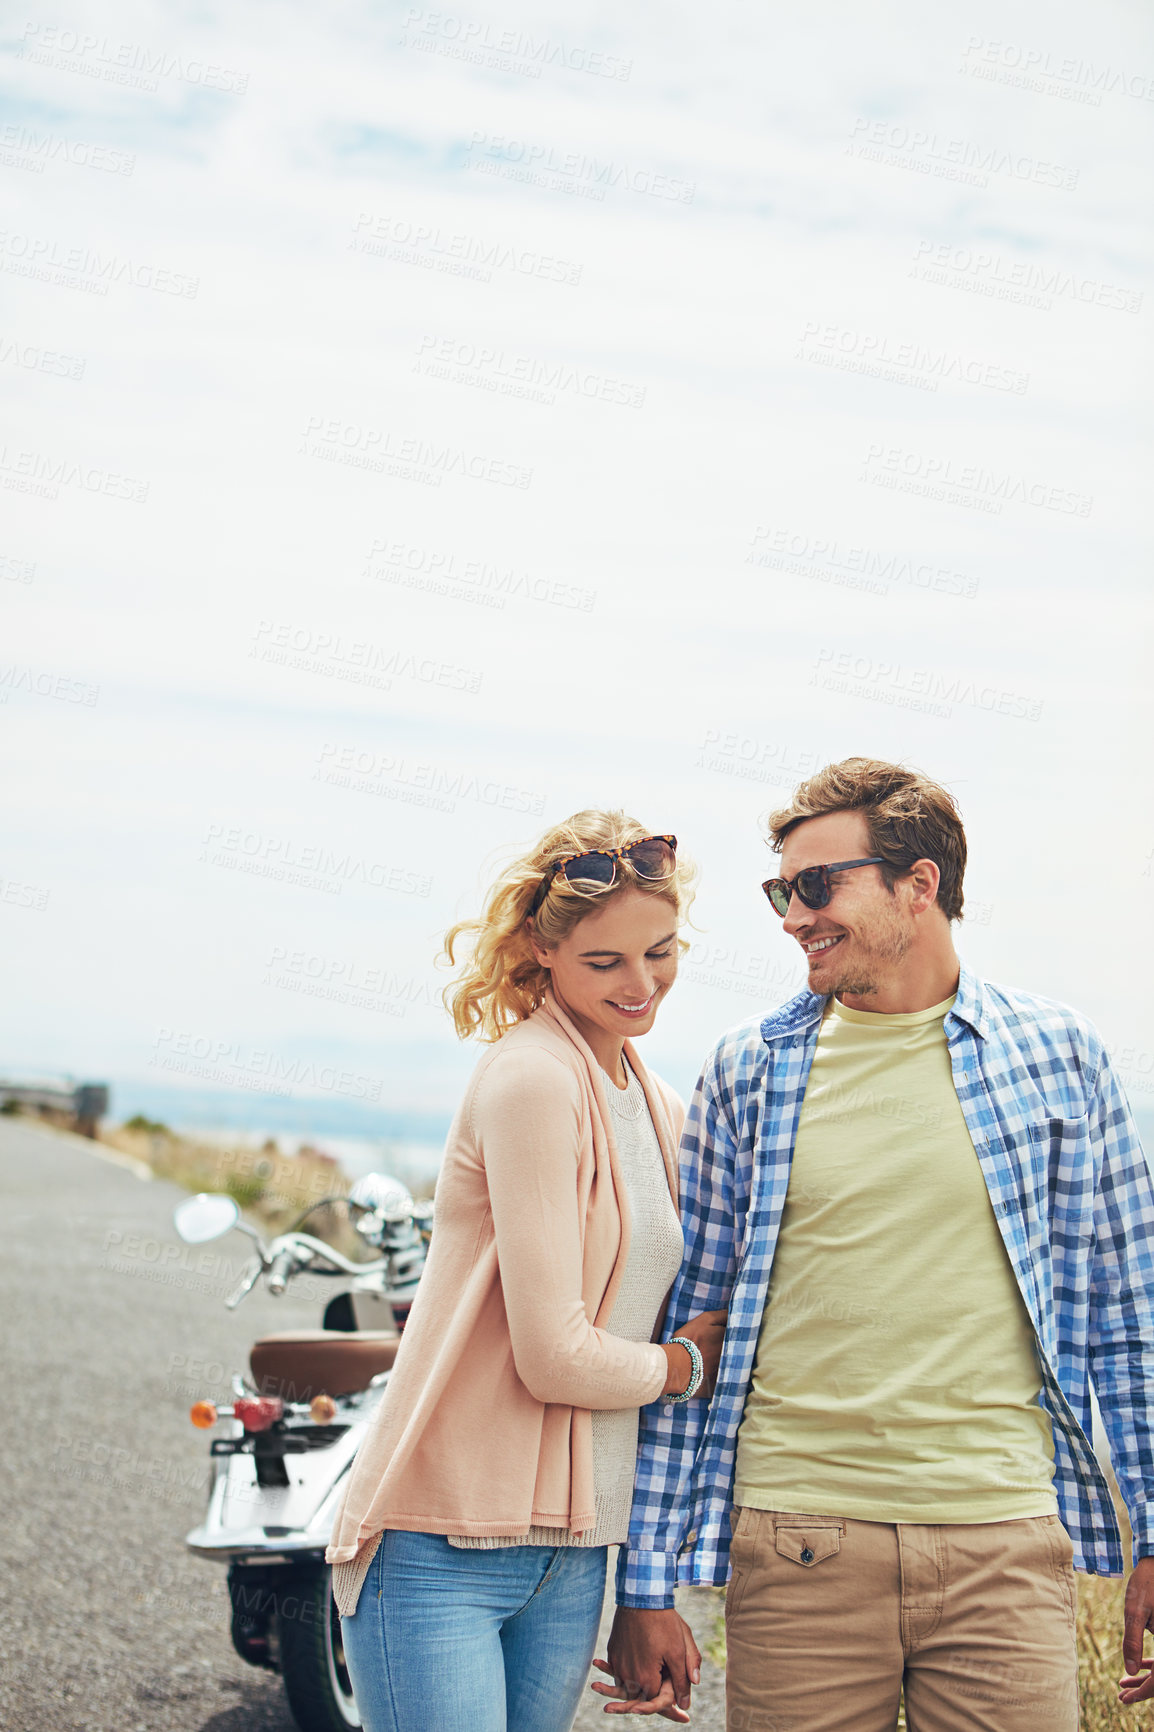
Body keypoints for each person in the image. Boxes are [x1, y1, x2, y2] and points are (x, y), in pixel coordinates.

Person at [597, 758, 1154, 1729]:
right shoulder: (749, 1070)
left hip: (1002, 1544)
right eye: (781, 890)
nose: (789, 916)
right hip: (796, 1544)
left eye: (815, 885)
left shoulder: (1056, 1055)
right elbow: (699, 1324)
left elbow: (1124, 1315)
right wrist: (644, 1582)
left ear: (918, 884)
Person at [326, 811, 726, 1732]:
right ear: (544, 953)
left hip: (573, 1547)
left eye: (660, 952)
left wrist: (645, 1579)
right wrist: (683, 1367)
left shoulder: (653, 1098)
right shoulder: (533, 1079)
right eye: (605, 963)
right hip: (441, 1544)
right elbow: (555, 1358)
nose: (641, 984)